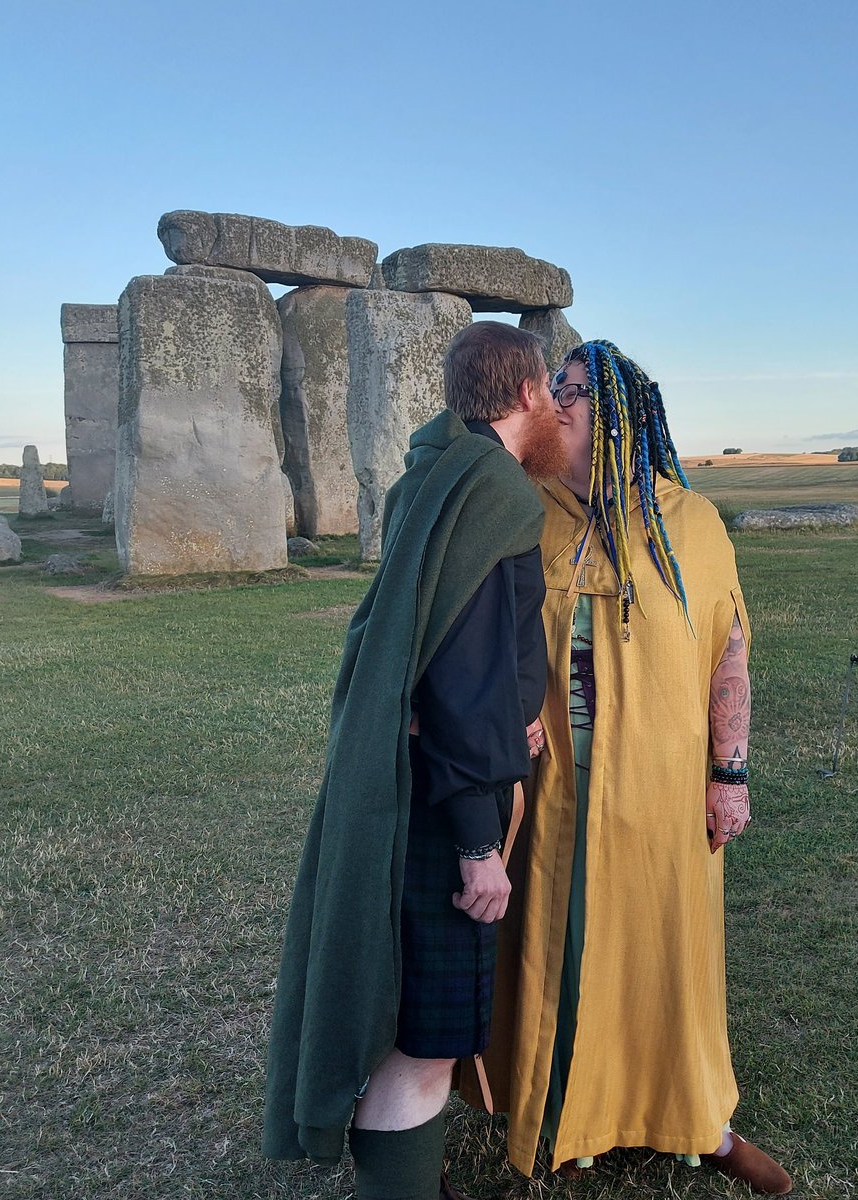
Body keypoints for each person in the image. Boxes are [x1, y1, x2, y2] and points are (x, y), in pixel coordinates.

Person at [262, 321, 568, 1200]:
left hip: (407, 784)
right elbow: (461, 674)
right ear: (523, 396)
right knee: (424, 1043)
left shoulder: (430, 472)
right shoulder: (499, 494)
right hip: (446, 806)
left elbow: (442, 645)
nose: (555, 410)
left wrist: (515, 718)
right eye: (550, 394)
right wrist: (479, 841)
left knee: (405, 1023)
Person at [485, 340, 793, 1193]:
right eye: (551, 391)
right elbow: (479, 640)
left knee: (667, 959)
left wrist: (728, 775)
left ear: (620, 411)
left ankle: (701, 1122)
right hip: (552, 799)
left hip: (660, 801)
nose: (554, 405)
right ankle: (569, 1121)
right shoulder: (522, 511)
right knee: (565, 953)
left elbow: (729, 648)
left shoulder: (687, 523)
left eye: (573, 393)